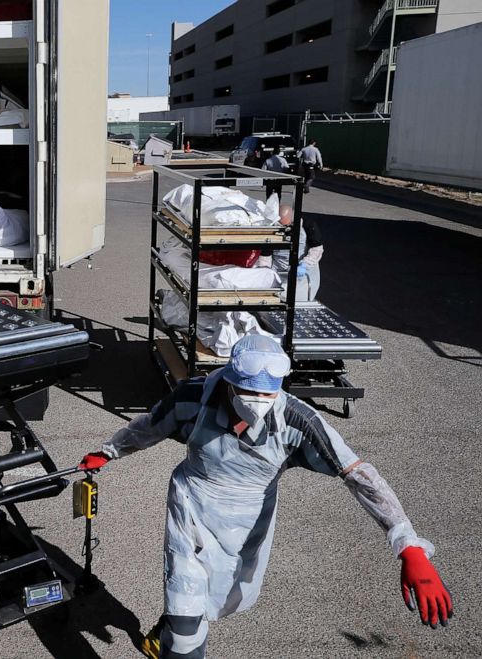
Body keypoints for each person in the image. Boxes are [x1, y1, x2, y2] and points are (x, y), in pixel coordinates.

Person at [79, 334, 453, 659]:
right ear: (228, 380)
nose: (256, 401)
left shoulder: (298, 421)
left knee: (214, 601)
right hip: (190, 509)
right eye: (246, 391)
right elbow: (149, 426)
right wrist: (109, 450)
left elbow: (358, 475)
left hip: (247, 524)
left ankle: (169, 630)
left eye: (266, 393)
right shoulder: (193, 398)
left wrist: (408, 547)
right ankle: (176, 634)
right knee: (187, 617)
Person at [259, 203, 323, 301]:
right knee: (276, 298)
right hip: (278, 269)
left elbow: (317, 249)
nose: (287, 229)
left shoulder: (308, 225)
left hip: (303, 270)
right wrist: (266, 271)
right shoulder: (272, 228)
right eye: (283, 226)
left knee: (300, 298)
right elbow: (265, 255)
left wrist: (304, 265)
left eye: (288, 225)